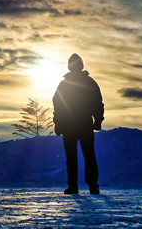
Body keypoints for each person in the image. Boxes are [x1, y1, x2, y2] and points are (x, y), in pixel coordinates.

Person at [52, 53, 104, 194]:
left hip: (76, 126)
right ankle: (88, 186)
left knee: (79, 157)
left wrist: (58, 124)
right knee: (86, 157)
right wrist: (98, 120)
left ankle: (82, 186)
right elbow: (97, 104)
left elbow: (58, 107)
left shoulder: (65, 84)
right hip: (79, 125)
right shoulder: (87, 82)